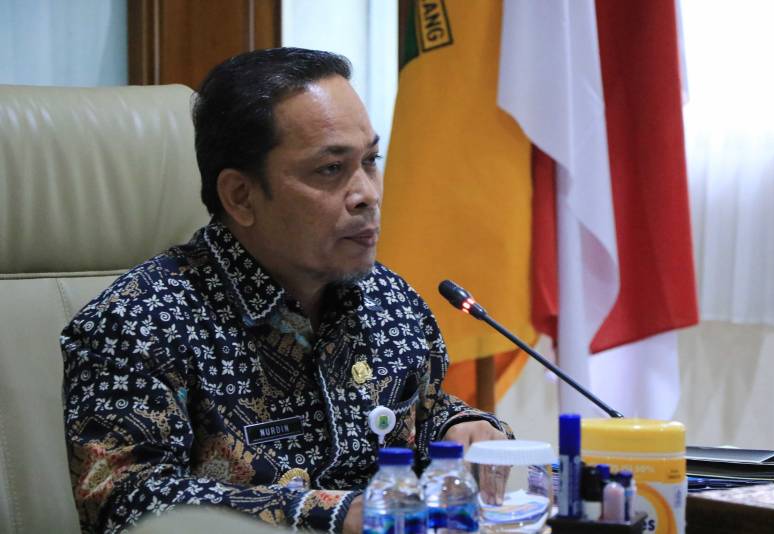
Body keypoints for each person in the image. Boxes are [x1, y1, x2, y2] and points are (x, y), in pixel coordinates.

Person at [61, 47, 510, 534]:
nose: (368, 194)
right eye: (330, 169)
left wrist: (458, 426)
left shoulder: (389, 300)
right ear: (241, 196)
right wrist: (332, 515)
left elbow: (415, 411)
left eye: (370, 161)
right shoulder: (138, 323)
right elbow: (129, 502)